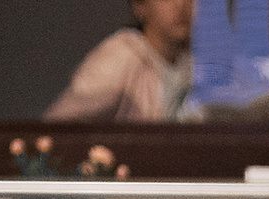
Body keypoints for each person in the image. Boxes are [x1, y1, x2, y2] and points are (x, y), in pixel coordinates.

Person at [46, 0, 203, 123]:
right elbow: (59, 128)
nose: (180, 5)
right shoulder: (122, 56)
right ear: (139, 6)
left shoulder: (195, 66)